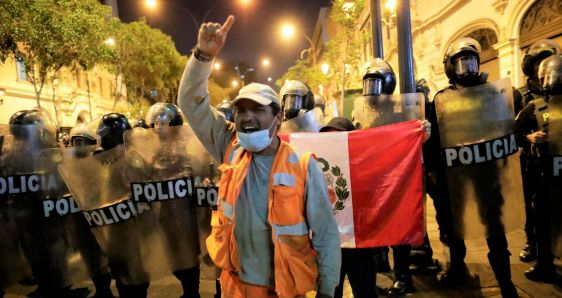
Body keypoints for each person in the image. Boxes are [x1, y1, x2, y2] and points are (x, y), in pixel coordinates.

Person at [178, 15, 341, 298]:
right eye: (241, 110)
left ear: (278, 117)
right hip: (236, 287)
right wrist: (203, 56)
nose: (247, 117)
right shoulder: (228, 147)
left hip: (283, 290)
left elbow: (326, 235)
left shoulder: (303, 166)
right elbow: (190, 104)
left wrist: (327, 291)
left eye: (258, 110)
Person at [426, 37, 517, 298]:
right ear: (451, 67)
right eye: (461, 62)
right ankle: (458, 267)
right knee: (454, 227)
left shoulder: (493, 93)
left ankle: (506, 281)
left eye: (471, 60)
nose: (467, 66)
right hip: (453, 176)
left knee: (495, 230)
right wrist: (431, 170)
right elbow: (433, 141)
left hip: (486, 174)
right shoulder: (442, 100)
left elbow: (504, 130)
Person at [144, 102, 202, 297]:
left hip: (184, 212)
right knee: (174, 258)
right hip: (165, 212)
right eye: (155, 123)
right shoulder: (156, 149)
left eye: (163, 122)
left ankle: (192, 293)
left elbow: (193, 171)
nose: (157, 127)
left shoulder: (185, 146)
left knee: (187, 257)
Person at [515, 54, 562, 282]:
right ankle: (544, 263)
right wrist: (529, 138)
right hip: (543, 176)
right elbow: (511, 133)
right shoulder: (535, 106)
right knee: (542, 222)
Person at [320, 117, 378, 298]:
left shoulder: (364, 166)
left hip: (358, 243)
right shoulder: (316, 164)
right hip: (329, 246)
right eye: (329, 138)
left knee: (365, 291)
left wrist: (417, 139)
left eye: (338, 137)